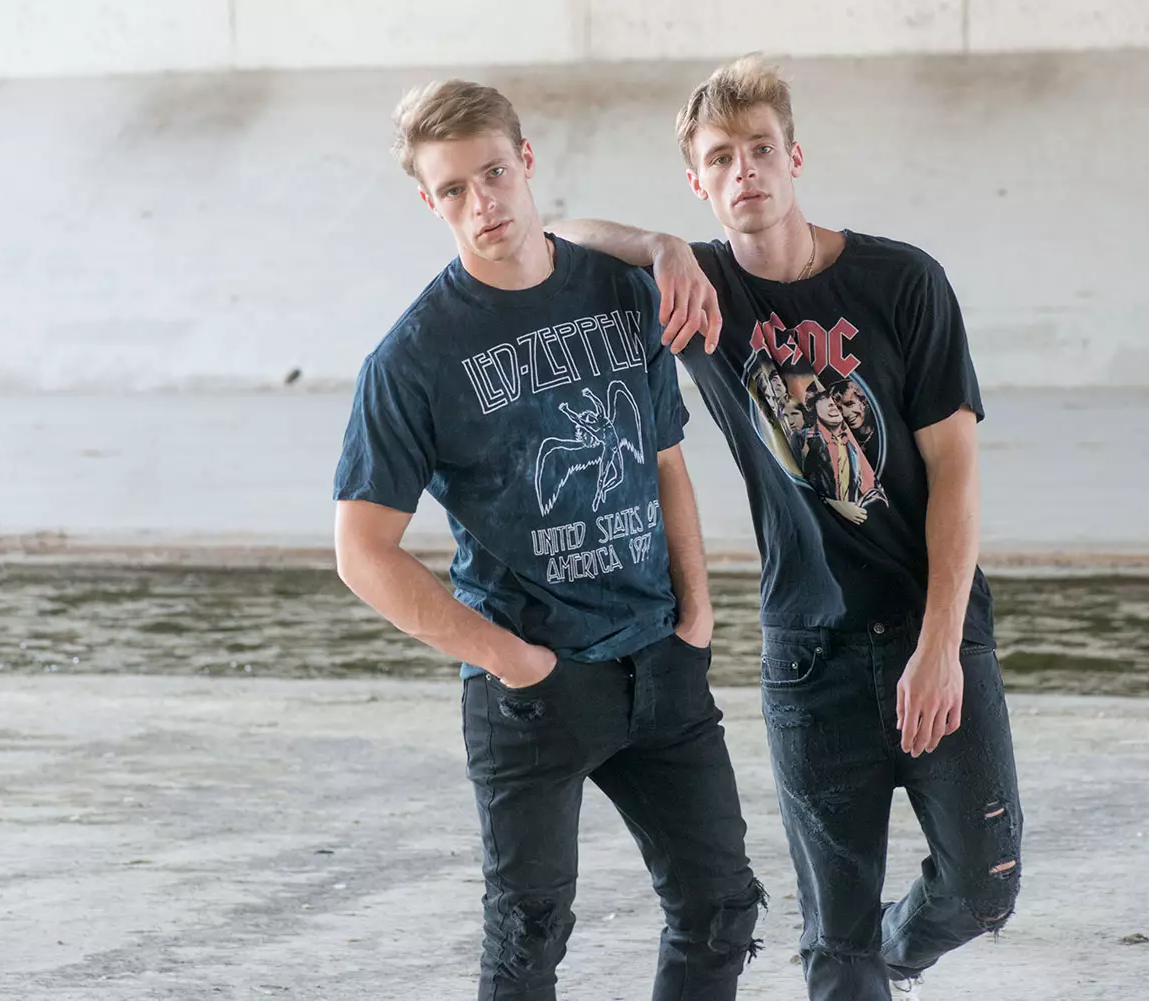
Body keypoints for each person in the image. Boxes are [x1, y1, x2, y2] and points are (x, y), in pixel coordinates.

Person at [552, 53, 1022, 1001]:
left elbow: (959, 479)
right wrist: (662, 247)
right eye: (720, 159)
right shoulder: (701, 297)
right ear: (699, 181)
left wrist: (939, 649)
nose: (744, 173)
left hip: (935, 629)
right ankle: (862, 959)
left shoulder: (904, 282)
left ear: (795, 157)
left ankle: (903, 943)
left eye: (760, 149)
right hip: (808, 656)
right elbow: (551, 229)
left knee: (982, 890)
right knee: (830, 945)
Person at [332, 79, 763, 1001]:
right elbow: (361, 550)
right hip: (532, 692)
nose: (482, 201)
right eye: (454, 189)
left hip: (661, 660)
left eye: (493, 172)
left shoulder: (620, 291)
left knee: (722, 908)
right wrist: (513, 661)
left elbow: (665, 462)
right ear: (431, 202)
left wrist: (697, 615)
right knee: (528, 940)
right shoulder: (414, 357)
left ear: (526, 164)